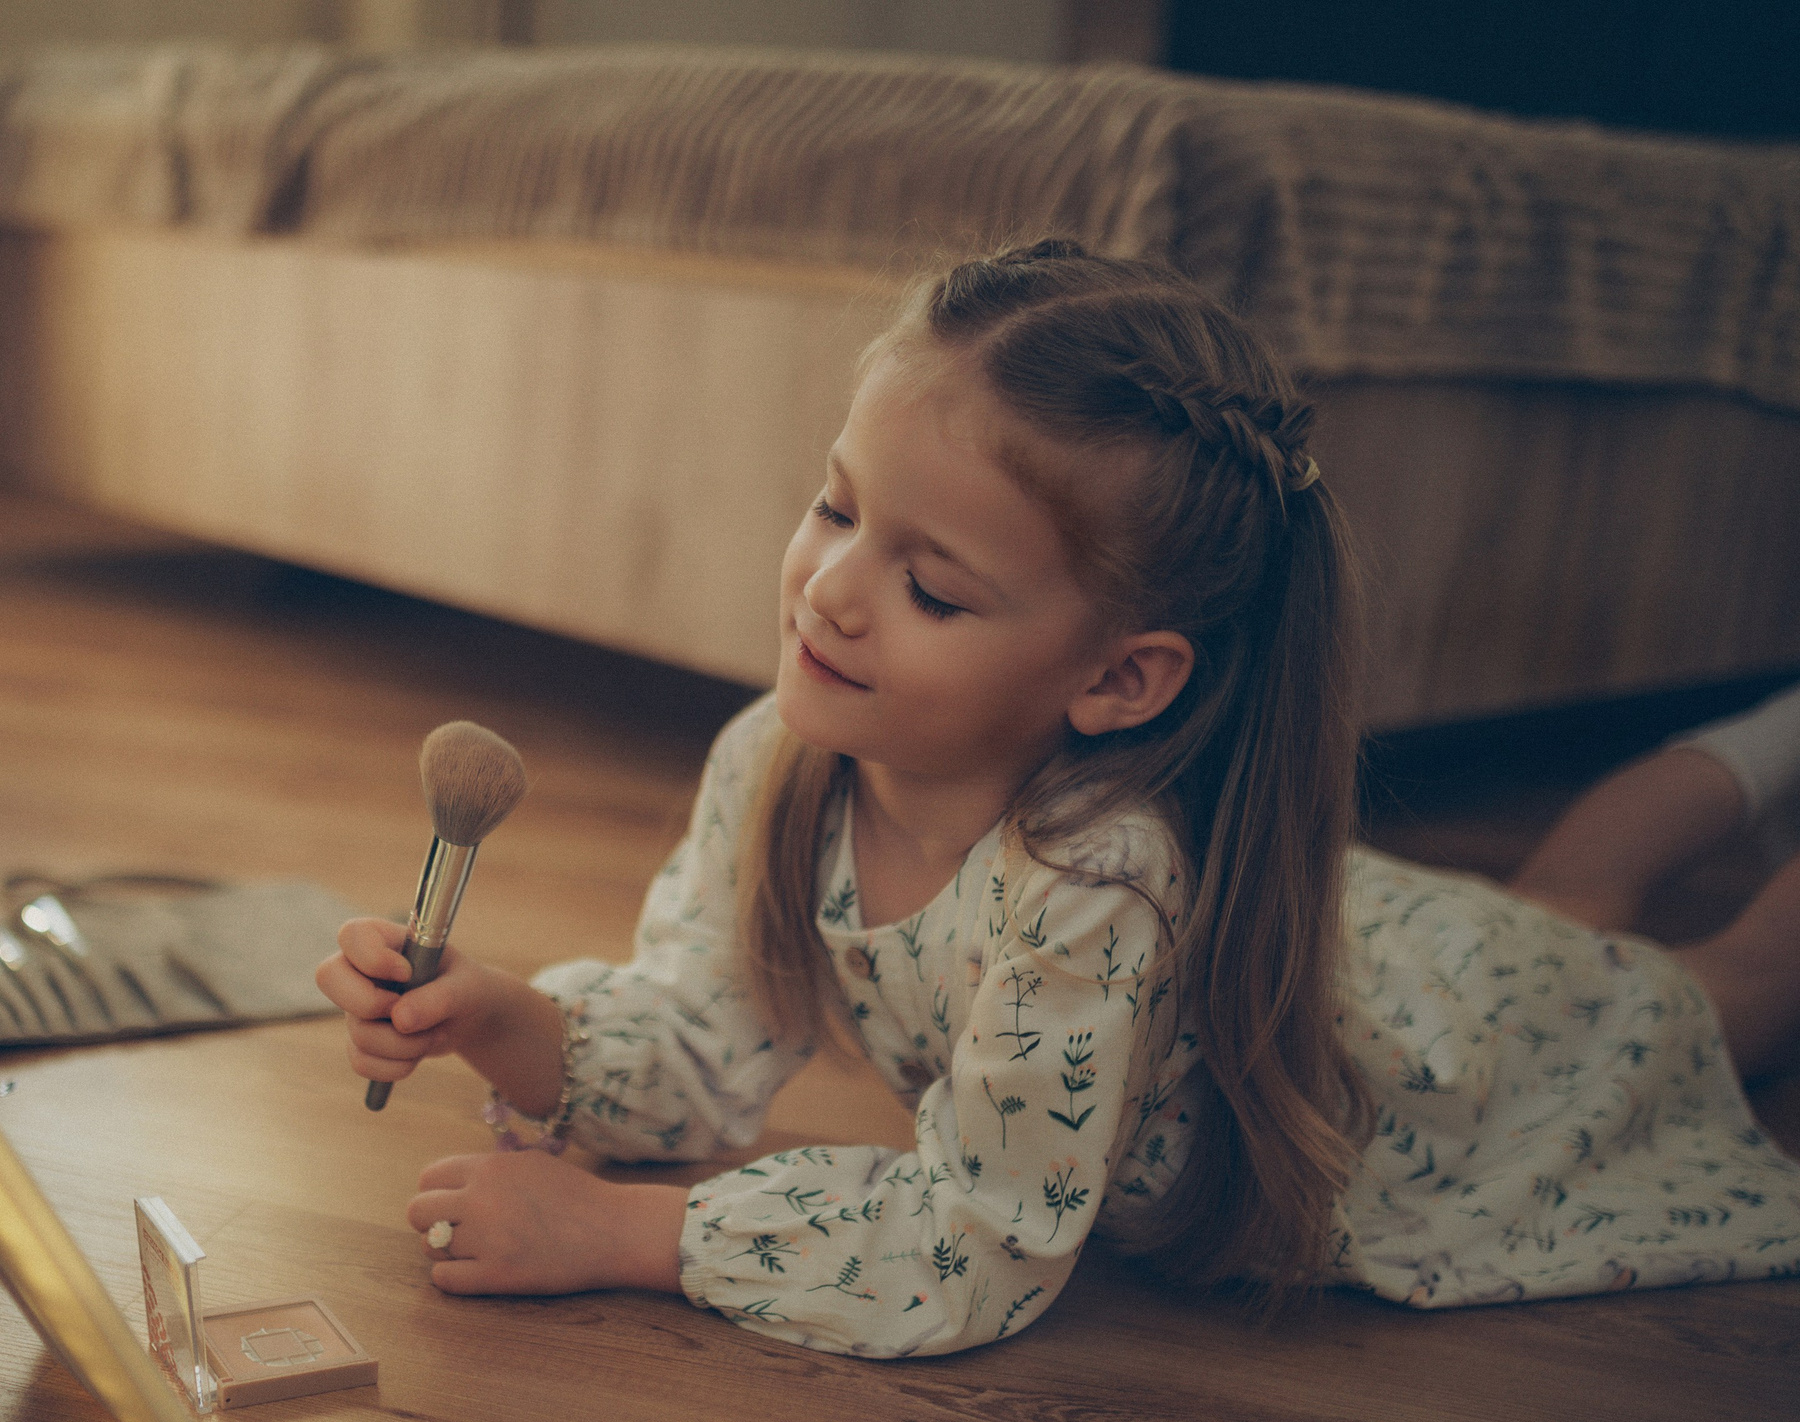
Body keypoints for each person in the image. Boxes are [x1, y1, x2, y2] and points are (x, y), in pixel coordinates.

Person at [316, 240, 1800, 1357]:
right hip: (1405, 958)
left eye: (931, 586)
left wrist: (632, 1235)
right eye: (838, 506)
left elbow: (977, 1246)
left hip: (1443, 1092)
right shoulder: (779, 752)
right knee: (1574, 907)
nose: (829, 588)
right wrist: (502, 1022)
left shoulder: (1096, 888)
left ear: (1119, 680)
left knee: (1718, 991)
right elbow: (700, 1039)